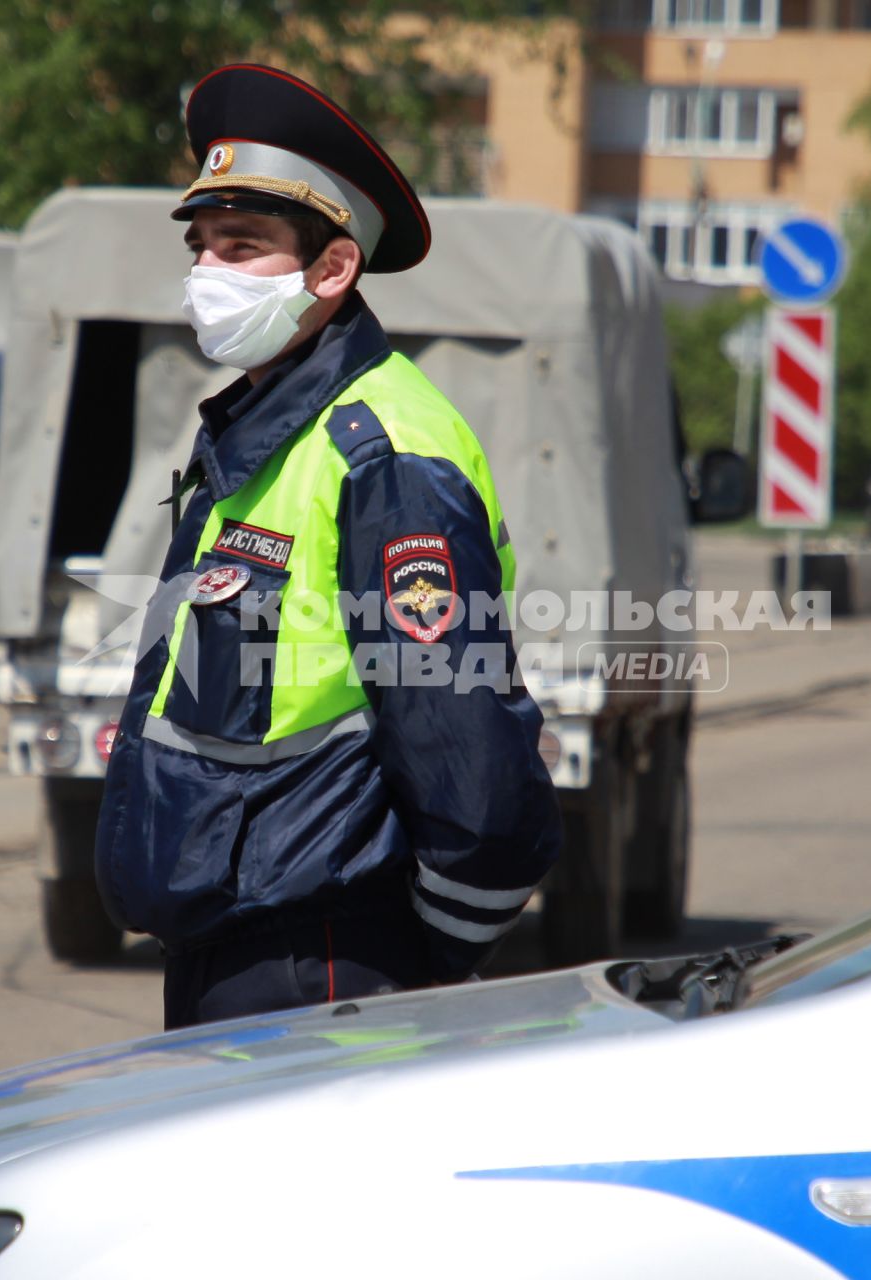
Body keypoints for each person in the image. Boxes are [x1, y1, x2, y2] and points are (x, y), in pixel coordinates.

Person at [95, 63, 561, 1029]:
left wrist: (421, 955)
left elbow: (465, 755)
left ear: (333, 269)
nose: (209, 271)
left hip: (330, 968)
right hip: (236, 955)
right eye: (204, 244)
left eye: (245, 244)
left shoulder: (383, 452)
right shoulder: (263, 428)